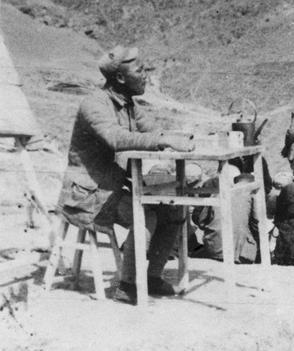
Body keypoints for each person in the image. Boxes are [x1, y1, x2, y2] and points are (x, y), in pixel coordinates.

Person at [57, 46, 195, 304]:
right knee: (145, 214)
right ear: (120, 78)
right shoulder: (94, 104)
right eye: (139, 70)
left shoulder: (128, 104)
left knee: (174, 210)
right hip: (89, 195)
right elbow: (115, 138)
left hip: (111, 189)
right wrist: (163, 140)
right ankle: (127, 285)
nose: (145, 75)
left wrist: (177, 137)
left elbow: (153, 130)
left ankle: (152, 276)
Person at [191, 169, 260, 264]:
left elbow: (201, 221)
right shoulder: (252, 195)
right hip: (239, 252)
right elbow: (257, 224)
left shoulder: (218, 194)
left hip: (214, 248)